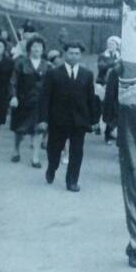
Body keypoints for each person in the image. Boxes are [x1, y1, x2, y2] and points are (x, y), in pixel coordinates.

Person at [38, 42, 96, 192]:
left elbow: (90, 99)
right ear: (64, 54)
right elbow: (45, 98)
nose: (74, 56)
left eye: (77, 53)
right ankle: (52, 168)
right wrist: (43, 119)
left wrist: (93, 120)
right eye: (71, 53)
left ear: (80, 55)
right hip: (57, 120)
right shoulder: (53, 73)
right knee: (54, 150)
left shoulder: (87, 75)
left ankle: (72, 181)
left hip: (79, 121)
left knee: (77, 152)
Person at [9, 35, 49, 167]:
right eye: (34, 46)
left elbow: (51, 85)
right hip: (22, 101)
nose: (37, 49)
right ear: (29, 48)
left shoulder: (47, 65)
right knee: (20, 129)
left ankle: (35, 157)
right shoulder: (21, 63)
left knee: (39, 130)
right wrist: (13, 96)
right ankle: (16, 150)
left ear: (43, 49)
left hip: (40, 103)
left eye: (39, 46)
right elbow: (13, 81)